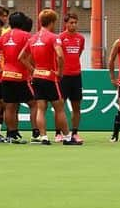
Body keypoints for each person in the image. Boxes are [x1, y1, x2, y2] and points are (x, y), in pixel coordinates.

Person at [20, 9, 79, 146]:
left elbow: (21, 57)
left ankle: (43, 136)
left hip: (37, 76)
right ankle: (67, 137)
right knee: (59, 108)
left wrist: (33, 70)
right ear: (52, 22)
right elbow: (60, 55)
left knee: (41, 108)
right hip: (50, 76)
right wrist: (59, 71)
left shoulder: (33, 38)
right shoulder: (53, 37)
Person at [0, 11, 33, 144]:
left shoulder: (4, 36)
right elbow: (32, 54)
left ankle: (11, 134)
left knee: (10, 107)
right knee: (35, 104)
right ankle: (37, 132)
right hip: (21, 76)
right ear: (22, 23)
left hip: (6, 75)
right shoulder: (26, 35)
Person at [57, 12, 86, 143]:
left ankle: (74, 132)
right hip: (63, 76)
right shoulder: (60, 38)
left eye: (75, 22)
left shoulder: (81, 38)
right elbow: (58, 57)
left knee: (76, 106)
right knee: (59, 106)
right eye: (71, 23)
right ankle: (59, 133)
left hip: (76, 76)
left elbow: (78, 53)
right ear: (66, 24)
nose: (73, 25)